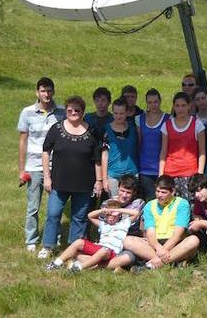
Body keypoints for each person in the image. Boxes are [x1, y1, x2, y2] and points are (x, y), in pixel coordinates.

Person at [39, 95, 103, 260]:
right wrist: (47, 177)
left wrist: (99, 181)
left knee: (79, 217)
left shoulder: (93, 132)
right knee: (53, 214)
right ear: (66, 111)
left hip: (84, 184)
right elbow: (46, 151)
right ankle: (48, 246)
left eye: (77, 110)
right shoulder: (56, 129)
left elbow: (97, 159)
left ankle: (74, 247)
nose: (73, 113)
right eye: (70, 110)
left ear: (83, 112)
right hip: (59, 182)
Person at [18, 77, 65, 252]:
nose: (47, 94)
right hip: (34, 165)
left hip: (57, 165)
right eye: (43, 90)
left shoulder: (61, 112)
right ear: (37, 92)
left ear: (53, 92)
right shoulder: (27, 112)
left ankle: (55, 238)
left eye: (49, 90)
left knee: (55, 206)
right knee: (33, 206)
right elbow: (23, 141)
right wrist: (22, 169)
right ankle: (31, 239)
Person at [120, 176, 200, 269]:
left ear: (173, 192)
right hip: (155, 244)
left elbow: (177, 235)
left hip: (174, 243)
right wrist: (159, 248)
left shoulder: (182, 203)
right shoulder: (150, 205)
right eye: (157, 191)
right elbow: (150, 233)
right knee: (127, 240)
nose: (159, 195)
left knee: (193, 240)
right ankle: (172, 261)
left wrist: (164, 249)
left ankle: (151, 264)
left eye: (163, 192)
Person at [44, 199, 131, 272]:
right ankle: (56, 263)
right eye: (108, 214)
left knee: (103, 251)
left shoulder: (123, 223)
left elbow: (136, 213)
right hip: (99, 248)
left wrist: (118, 210)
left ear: (119, 215)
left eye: (113, 214)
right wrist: (102, 210)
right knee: (79, 242)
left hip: (111, 252)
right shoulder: (103, 224)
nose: (110, 217)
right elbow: (90, 216)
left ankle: (78, 268)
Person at [159, 92, 206, 202]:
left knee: (190, 205)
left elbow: (202, 152)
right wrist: (161, 174)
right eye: (177, 106)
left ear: (189, 106)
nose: (180, 109)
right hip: (170, 172)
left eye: (183, 105)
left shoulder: (197, 124)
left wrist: (200, 174)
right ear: (174, 107)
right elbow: (163, 151)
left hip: (190, 173)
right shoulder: (167, 125)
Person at [106, 175, 147, 271]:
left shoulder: (139, 203)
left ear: (134, 193)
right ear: (118, 188)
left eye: (128, 193)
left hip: (129, 241)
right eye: (122, 191)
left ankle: (95, 264)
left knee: (128, 257)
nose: (124, 195)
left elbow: (142, 226)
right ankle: (116, 265)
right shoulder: (107, 203)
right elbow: (105, 226)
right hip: (111, 241)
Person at [102, 97, 139, 197]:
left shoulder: (133, 127)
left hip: (132, 173)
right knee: (115, 206)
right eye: (116, 113)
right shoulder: (106, 130)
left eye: (121, 113)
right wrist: (104, 179)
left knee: (131, 206)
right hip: (114, 175)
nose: (118, 116)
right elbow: (104, 155)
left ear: (127, 112)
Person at [137, 88, 168, 201]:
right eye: (149, 102)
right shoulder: (139, 119)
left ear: (160, 102)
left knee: (163, 199)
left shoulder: (168, 119)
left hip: (162, 167)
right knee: (150, 199)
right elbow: (139, 143)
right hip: (144, 168)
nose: (153, 105)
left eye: (155, 102)